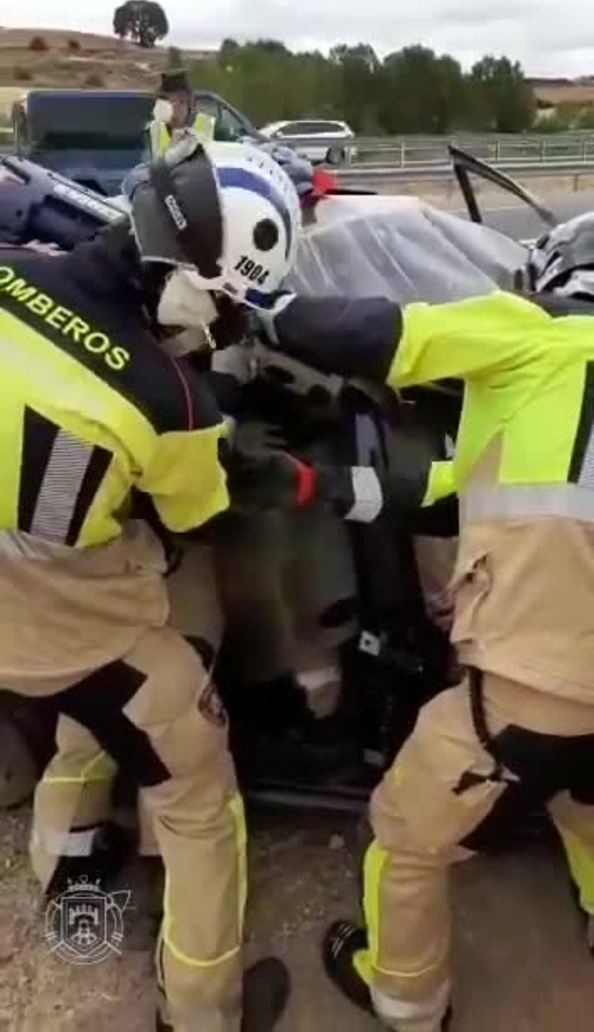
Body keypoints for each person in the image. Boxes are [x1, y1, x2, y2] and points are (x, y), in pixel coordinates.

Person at [234, 213, 594, 1031]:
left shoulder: (535, 335)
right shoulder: (549, 407)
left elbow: (378, 332)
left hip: (536, 696)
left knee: (402, 832)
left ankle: (405, 1000)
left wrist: (258, 306)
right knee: (584, 801)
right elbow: (449, 494)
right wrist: (314, 487)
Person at [0, 135, 301, 1032]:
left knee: (82, 717)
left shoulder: (11, 271)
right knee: (198, 796)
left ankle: (68, 868)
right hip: (69, 635)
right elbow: (197, 522)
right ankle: (202, 1011)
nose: (224, 328)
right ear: (194, 283)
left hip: (23, 625)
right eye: (229, 307)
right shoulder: (174, 401)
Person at [147, 69, 216, 159]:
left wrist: (184, 135)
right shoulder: (156, 127)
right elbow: (157, 161)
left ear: (186, 101)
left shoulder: (205, 122)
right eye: (167, 101)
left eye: (180, 102)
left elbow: (203, 158)